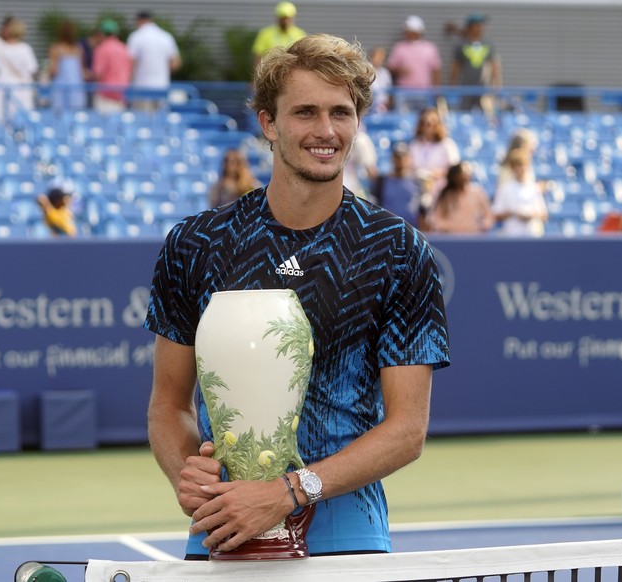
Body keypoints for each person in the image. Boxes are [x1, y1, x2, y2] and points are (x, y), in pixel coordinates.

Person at [144, 34, 450, 559]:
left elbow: (406, 430)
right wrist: (188, 476)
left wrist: (286, 492)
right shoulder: (193, 244)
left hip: (347, 541)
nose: (326, 131)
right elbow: (169, 405)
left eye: (342, 112)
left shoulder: (399, 249)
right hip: (225, 531)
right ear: (268, 123)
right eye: (305, 112)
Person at [408, 106, 460, 212]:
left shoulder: (447, 144)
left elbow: (455, 169)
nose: (428, 127)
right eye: (425, 123)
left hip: (441, 191)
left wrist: (438, 173)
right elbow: (409, 167)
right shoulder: (414, 145)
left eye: (432, 123)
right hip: (418, 190)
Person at [127, 10, 181, 112]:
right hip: (162, 87)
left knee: (142, 121)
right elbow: (175, 64)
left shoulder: (136, 36)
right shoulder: (166, 37)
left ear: (139, 21)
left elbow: (131, 63)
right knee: (159, 120)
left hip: (141, 87)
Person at [0, 18, 38, 124]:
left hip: (3, 85)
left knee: (2, 117)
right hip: (22, 87)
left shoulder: (1, 48)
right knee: (22, 118)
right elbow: (32, 68)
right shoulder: (25, 49)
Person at [448, 13, 502, 112]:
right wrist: (453, 85)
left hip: (484, 88)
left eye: (482, 25)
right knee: (464, 113)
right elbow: (456, 66)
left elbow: (494, 65)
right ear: (471, 26)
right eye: (478, 25)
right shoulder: (461, 44)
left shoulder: (489, 44)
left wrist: (496, 85)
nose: (481, 27)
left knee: (486, 114)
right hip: (465, 88)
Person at [386, 15, 442, 111]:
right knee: (403, 119)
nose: (407, 33)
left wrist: (435, 91)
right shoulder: (399, 47)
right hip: (403, 92)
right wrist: (400, 70)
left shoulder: (430, 48)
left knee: (423, 118)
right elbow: (390, 68)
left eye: (409, 30)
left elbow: (436, 70)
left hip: (425, 93)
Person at [491, 147, 548, 236]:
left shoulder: (534, 188)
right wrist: (513, 212)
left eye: (524, 165)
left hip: (532, 236)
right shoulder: (505, 188)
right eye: (518, 166)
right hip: (511, 236)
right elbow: (496, 214)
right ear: (513, 168)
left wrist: (530, 214)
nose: (522, 169)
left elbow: (544, 214)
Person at [426, 161, 494, 234]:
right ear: (454, 177)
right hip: (450, 238)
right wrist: (450, 227)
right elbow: (433, 218)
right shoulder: (445, 194)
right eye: (461, 174)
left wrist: (482, 226)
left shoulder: (477, 192)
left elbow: (488, 215)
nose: (464, 177)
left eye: (466, 173)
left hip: (472, 237)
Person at [371, 142, 422, 227]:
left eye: (404, 157)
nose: (401, 161)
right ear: (393, 159)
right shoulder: (382, 182)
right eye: (398, 157)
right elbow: (374, 207)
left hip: (411, 230)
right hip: (387, 229)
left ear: (409, 159)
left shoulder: (417, 182)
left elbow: (422, 210)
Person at [251, 1, 307, 72]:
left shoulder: (300, 34)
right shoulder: (265, 33)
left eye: (287, 18)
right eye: (282, 18)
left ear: (293, 17)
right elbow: (258, 56)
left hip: (292, 74)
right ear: (277, 17)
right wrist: (256, 76)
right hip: (269, 73)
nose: (285, 21)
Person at [92, 19, 132, 114]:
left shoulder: (101, 49)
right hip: (122, 95)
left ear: (102, 34)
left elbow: (98, 74)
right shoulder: (124, 48)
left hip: (105, 96)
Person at [48, 19, 88, 112]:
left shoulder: (56, 49)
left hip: (60, 87)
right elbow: (81, 70)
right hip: (76, 87)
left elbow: (54, 70)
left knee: (59, 115)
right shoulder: (78, 49)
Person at [368, 45, 393, 114]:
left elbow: (389, 90)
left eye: (382, 57)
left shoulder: (385, 72)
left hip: (385, 107)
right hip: (370, 108)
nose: (381, 59)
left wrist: (388, 104)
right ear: (372, 56)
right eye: (378, 56)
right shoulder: (366, 70)